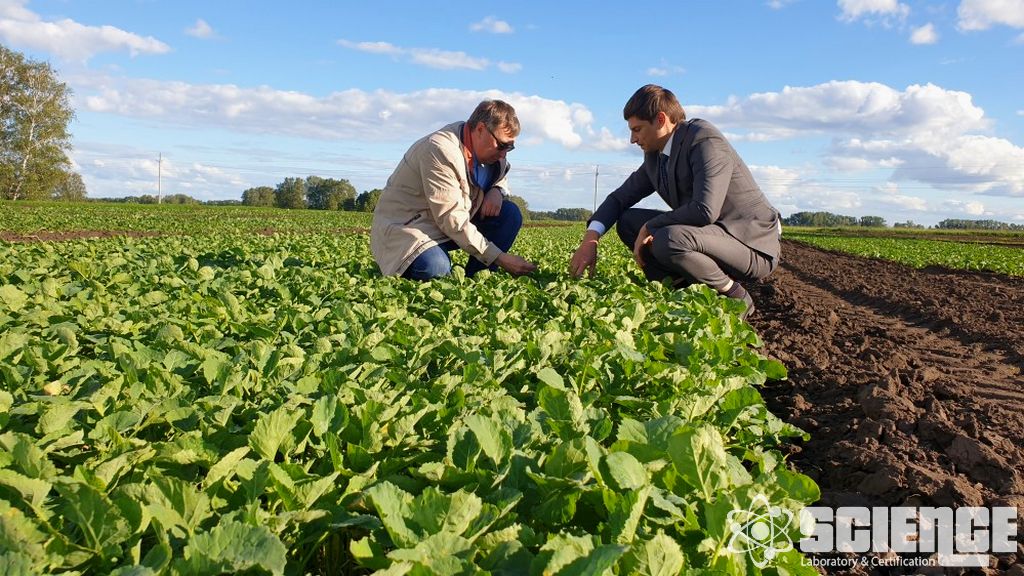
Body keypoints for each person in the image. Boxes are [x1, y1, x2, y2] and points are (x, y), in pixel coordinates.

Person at [569, 84, 781, 317]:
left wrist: (650, 226)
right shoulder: (656, 157)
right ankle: (680, 291)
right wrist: (591, 240)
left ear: (661, 119)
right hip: (708, 237)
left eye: (637, 129)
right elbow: (619, 198)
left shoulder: (704, 139)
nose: (632, 139)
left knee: (669, 239)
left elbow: (704, 210)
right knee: (629, 221)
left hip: (748, 244)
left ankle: (736, 296)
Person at [371, 100, 537, 279]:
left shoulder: (493, 155)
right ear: (480, 129)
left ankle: (479, 277)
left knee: (509, 214)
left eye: (510, 147)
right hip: (409, 228)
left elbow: (500, 175)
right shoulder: (440, 150)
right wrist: (500, 258)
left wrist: (497, 190)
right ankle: (434, 265)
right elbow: (451, 219)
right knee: (435, 267)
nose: (504, 153)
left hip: (445, 225)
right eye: (502, 145)